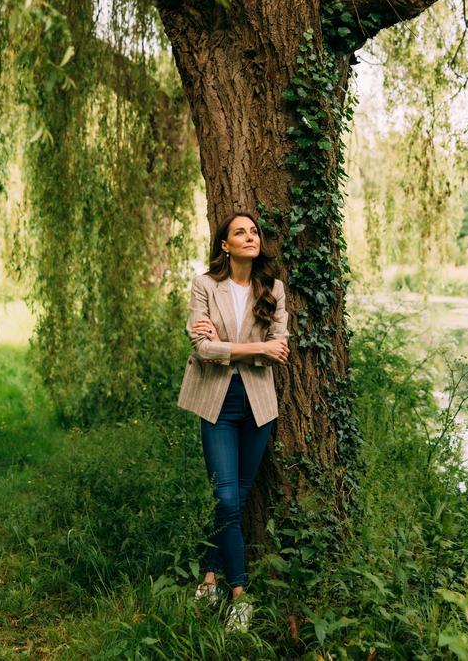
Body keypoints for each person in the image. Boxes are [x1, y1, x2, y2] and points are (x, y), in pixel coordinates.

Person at [177, 212, 290, 632]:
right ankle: (240, 594)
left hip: (259, 404)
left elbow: (279, 348)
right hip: (217, 402)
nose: (250, 236)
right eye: (240, 232)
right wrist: (251, 348)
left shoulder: (272, 289)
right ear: (224, 244)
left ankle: (209, 577)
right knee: (225, 498)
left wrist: (228, 346)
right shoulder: (205, 285)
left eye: (254, 231)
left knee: (237, 499)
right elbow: (203, 350)